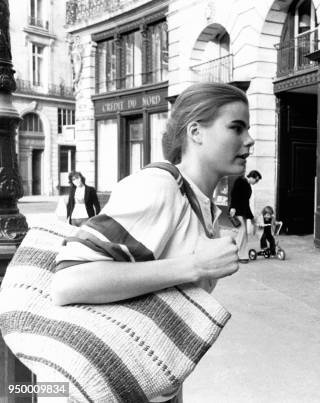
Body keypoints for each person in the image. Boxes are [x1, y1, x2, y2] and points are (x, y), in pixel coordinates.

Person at [50, 82, 251, 401]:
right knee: (17, 389)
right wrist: (196, 264)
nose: (249, 140)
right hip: (112, 389)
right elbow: (68, 280)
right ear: (195, 132)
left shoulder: (200, 203)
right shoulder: (160, 186)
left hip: (152, 385)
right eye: (236, 128)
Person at [229, 169, 261, 262]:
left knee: (243, 234)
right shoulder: (240, 181)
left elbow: (245, 203)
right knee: (242, 233)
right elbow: (234, 194)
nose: (256, 182)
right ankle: (237, 255)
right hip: (237, 211)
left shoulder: (247, 185)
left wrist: (251, 217)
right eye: (256, 180)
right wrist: (233, 207)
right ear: (252, 177)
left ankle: (241, 254)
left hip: (242, 212)